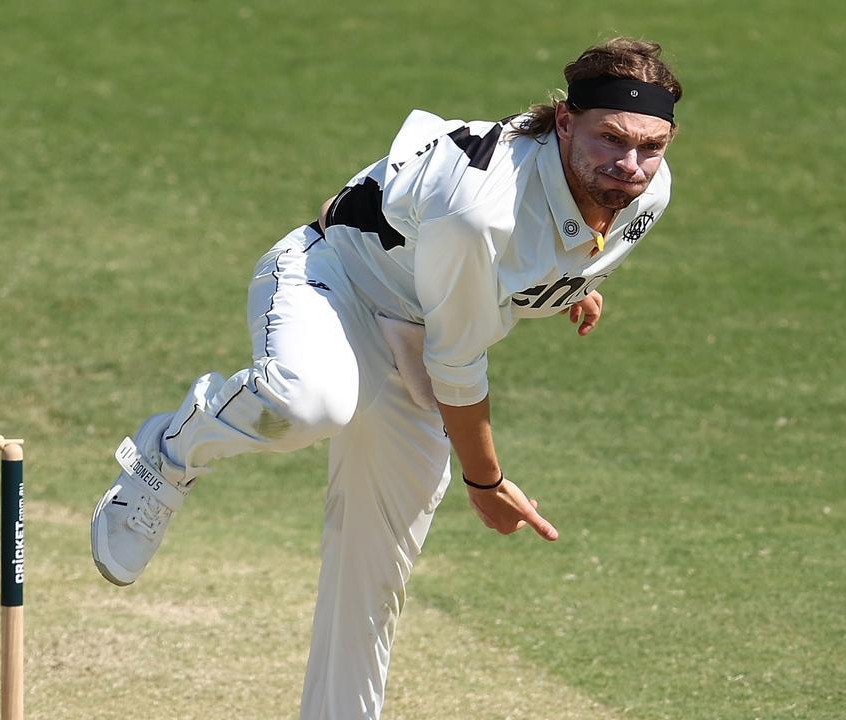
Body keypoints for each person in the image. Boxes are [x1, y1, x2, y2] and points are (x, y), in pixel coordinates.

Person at [90, 36, 682, 719]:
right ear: (564, 121)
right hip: (336, 281)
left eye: (652, 146)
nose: (631, 165)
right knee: (308, 403)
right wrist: (484, 482)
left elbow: (567, 248)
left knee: (373, 575)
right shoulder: (478, 210)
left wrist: (573, 286)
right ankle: (166, 457)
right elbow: (458, 369)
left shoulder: (646, 191)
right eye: (612, 138)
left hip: (421, 329)